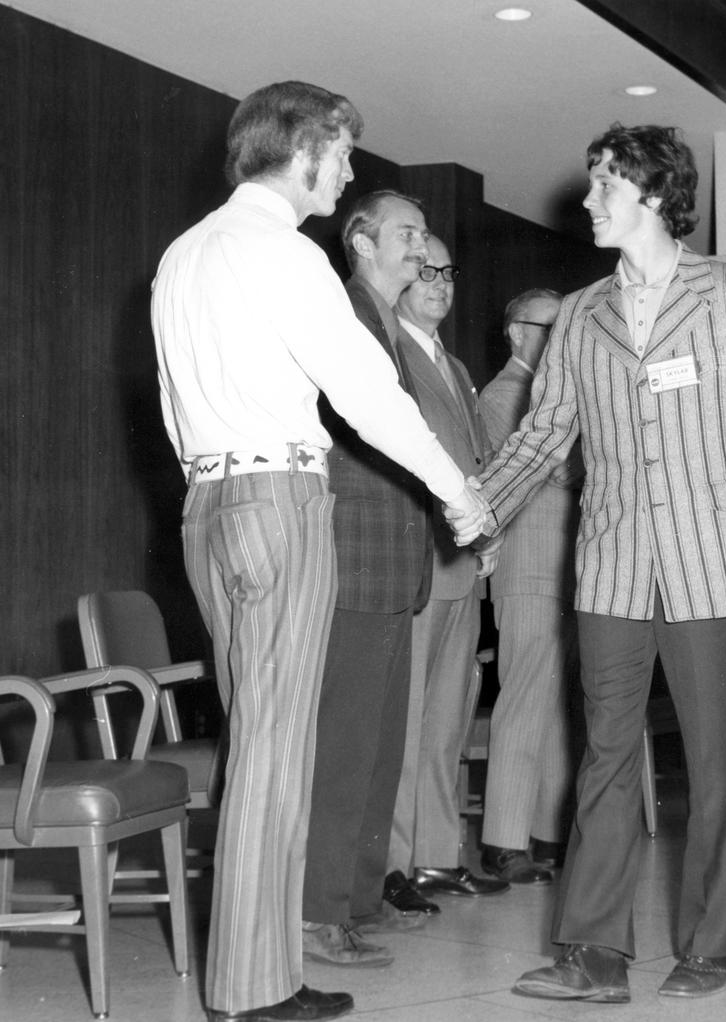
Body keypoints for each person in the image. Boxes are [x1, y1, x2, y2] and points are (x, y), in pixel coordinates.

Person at [151, 81, 489, 1022]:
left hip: (206, 505)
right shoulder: (285, 254)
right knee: (276, 750)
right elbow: (369, 392)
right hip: (279, 500)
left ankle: (248, 976)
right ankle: (255, 990)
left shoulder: (182, 255)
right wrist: (456, 488)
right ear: (302, 150)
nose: (345, 170)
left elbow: (178, 409)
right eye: (341, 153)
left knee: (254, 743)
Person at [477, 123, 726, 1003]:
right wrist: (478, 501)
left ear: (654, 197)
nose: (588, 202)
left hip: (713, 563)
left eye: (605, 188)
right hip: (613, 566)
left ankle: (713, 945)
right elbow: (546, 431)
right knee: (606, 759)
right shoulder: (579, 314)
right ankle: (592, 954)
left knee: (709, 765)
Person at [301, 189, 440, 969]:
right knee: (347, 746)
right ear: (360, 241)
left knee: (382, 746)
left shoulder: (391, 322)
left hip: (393, 559)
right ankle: (318, 912)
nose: (421, 248)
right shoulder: (346, 311)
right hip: (355, 554)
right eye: (407, 234)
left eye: (423, 235)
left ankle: (357, 898)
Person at [387, 235, 509, 901]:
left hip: (463, 561)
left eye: (446, 272)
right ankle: (395, 863)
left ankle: (437, 851)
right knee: (404, 721)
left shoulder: (455, 366)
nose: (439, 283)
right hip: (420, 561)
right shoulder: (390, 356)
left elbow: (479, 462)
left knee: (446, 719)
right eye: (424, 271)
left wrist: (489, 530)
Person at [477, 288, 581, 886]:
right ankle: (503, 841)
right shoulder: (502, 394)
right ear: (517, 332)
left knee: (554, 704)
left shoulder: (554, 391)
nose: (558, 338)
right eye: (548, 327)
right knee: (523, 699)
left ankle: (546, 832)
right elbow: (537, 469)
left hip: (564, 564)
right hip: (528, 564)